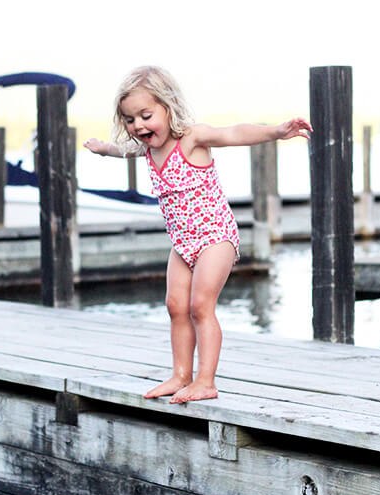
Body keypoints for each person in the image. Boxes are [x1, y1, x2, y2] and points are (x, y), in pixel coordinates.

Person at [84, 65, 312, 404]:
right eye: (131, 120)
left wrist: (276, 132)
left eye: (146, 115)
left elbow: (234, 133)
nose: (139, 126)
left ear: (168, 105)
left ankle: (206, 380)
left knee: (200, 305)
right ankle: (180, 375)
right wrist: (104, 148)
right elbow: (124, 151)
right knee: (175, 305)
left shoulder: (191, 138)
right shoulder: (146, 148)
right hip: (182, 243)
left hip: (214, 237)